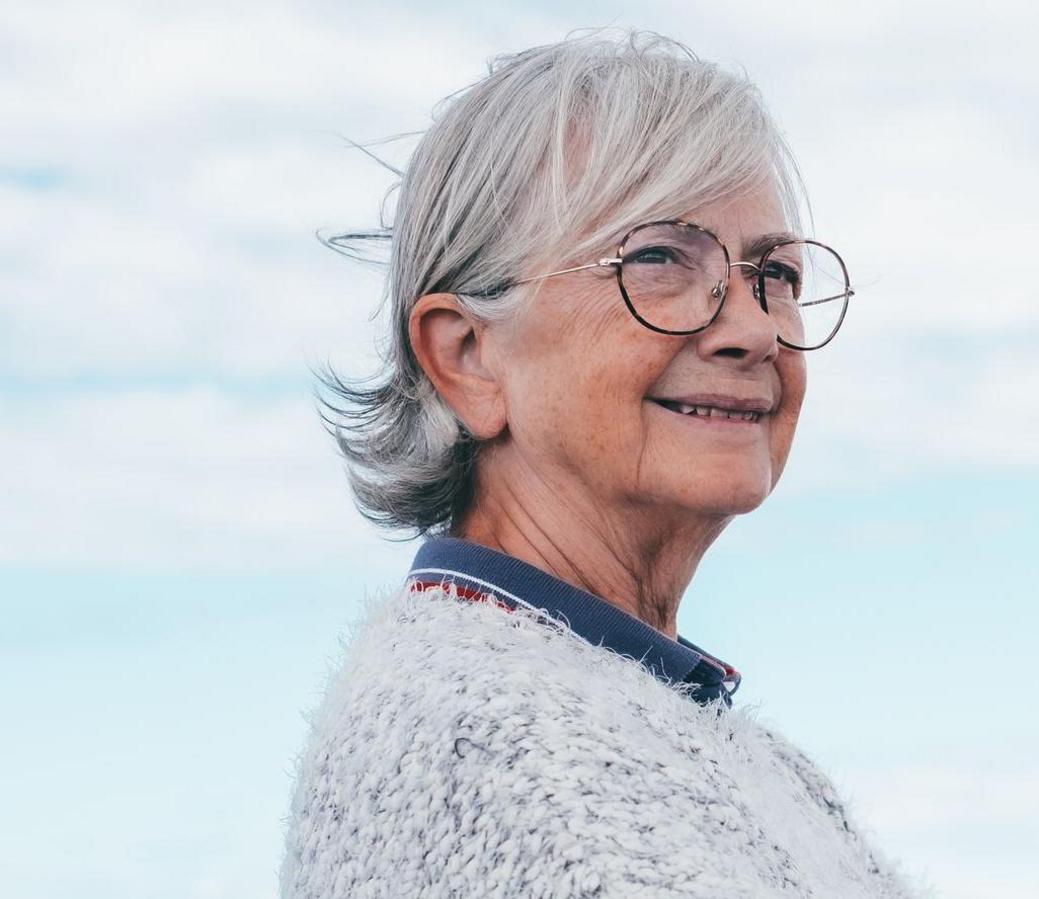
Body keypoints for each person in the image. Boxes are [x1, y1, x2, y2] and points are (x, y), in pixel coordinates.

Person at [278, 27, 929, 898]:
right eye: (659, 258)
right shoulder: (473, 745)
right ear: (467, 356)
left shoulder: (654, 719)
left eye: (773, 274)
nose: (751, 328)